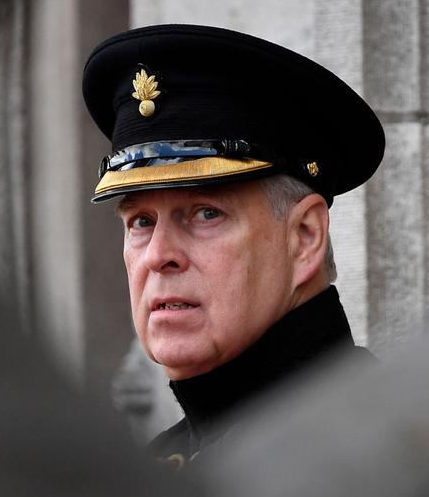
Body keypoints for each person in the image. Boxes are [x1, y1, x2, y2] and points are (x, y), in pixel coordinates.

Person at [82, 24, 385, 468]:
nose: (158, 254)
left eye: (206, 213)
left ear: (305, 237)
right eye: (141, 222)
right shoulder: (166, 462)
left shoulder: (368, 441)